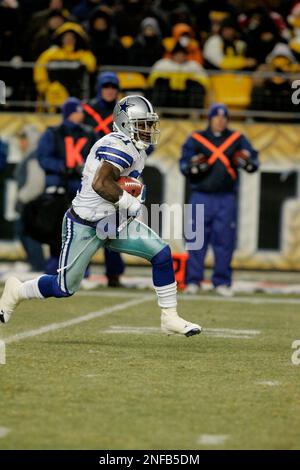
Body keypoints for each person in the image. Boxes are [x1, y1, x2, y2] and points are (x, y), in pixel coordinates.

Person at [0, 95, 201, 337]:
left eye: (149, 124)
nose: (148, 129)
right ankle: (17, 291)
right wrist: (130, 201)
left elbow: (119, 183)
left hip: (112, 221)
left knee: (161, 253)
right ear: (126, 123)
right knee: (63, 287)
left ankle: (170, 317)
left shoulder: (136, 147)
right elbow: (100, 183)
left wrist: (132, 196)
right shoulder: (119, 145)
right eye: (143, 124)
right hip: (85, 224)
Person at [180, 103, 259, 297]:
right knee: (196, 240)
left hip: (226, 196)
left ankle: (221, 281)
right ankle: (193, 280)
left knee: (224, 241)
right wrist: (193, 166)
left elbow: (253, 160)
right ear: (210, 118)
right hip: (201, 195)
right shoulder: (197, 138)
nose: (221, 120)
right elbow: (183, 164)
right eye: (217, 116)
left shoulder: (236, 138)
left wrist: (247, 160)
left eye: (224, 117)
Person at [37, 96, 96, 275]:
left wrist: (84, 168)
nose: (81, 114)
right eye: (78, 111)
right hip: (59, 187)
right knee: (56, 228)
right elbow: (43, 158)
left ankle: (81, 266)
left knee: (83, 228)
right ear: (70, 113)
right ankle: (55, 264)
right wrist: (62, 167)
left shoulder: (89, 133)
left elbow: (97, 156)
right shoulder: (53, 133)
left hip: (81, 186)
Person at [83, 71, 125, 287]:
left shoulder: (126, 111)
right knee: (85, 224)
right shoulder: (86, 111)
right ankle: (82, 271)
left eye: (113, 86)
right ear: (99, 88)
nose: (109, 90)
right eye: (105, 86)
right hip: (90, 174)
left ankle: (114, 273)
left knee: (113, 225)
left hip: (115, 175)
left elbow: (144, 141)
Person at [14, 124, 45, 272]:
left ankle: (37, 265)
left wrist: (22, 198)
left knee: (29, 233)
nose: (21, 142)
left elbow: (35, 183)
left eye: (24, 139)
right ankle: (35, 263)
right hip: (29, 201)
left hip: (32, 202)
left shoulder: (34, 155)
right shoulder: (30, 154)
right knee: (24, 232)